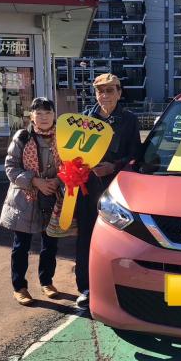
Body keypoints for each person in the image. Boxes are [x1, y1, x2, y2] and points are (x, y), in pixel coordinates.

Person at [74, 73, 141, 309]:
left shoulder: (129, 120)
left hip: (116, 188)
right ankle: (85, 287)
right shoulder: (84, 119)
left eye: (110, 90)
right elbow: (73, 151)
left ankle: (117, 286)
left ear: (119, 93)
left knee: (118, 237)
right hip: (87, 187)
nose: (105, 95)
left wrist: (113, 166)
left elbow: (136, 154)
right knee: (86, 236)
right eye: (100, 91)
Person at [0, 97, 62, 306]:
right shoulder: (22, 137)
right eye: (39, 113)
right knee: (21, 245)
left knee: (50, 243)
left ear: (54, 115)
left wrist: (57, 181)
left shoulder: (62, 137)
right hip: (25, 199)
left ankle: (47, 282)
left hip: (51, 197)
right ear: (32, 116)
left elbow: (70, 164)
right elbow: (10, 168)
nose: (44, 117)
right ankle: (19, 287)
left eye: (48, 113)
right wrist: (35, 181)